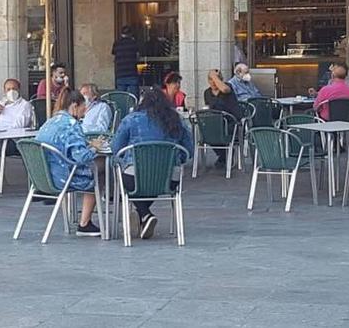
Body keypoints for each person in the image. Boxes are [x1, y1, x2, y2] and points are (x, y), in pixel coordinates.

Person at [111, 87, 193, 239]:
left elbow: (116, 148)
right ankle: (143, 216)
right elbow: (189, 150)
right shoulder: (177, 120)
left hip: (136, 175)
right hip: (169, 177)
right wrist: (178, 160)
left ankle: (144, 214)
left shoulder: (131, 119)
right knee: (153, 180)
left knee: (130, 180)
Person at [35, 88, 105, 237]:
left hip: (43, 178)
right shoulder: (72, 125)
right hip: (63, 178)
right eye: (83, 108)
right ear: (74, 106)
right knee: (100, 171)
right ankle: (85, 223)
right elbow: (81, 157)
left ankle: (76, 220)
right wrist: (93, 148)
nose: (84, 113)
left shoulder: (50, 122)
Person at [203, 69, 241, 168]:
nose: (214, 82)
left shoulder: (228, 87)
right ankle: (224, 155)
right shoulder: (207, 93)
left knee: (221, 131)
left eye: (216, 79)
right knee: (206, 133)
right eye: (211, 79)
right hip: (216, 123)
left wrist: (214, 76)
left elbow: (224, 89)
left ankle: (225, 156)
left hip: (231, 123)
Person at [112, 26, 140, 96]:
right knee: (134, 98)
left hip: (120, 74)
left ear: (121, 34)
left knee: (121, 98)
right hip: (132, 73)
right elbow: (138, 56)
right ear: (130, 33)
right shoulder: (134, 43)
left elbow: (114, 55)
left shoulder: (117, 43)